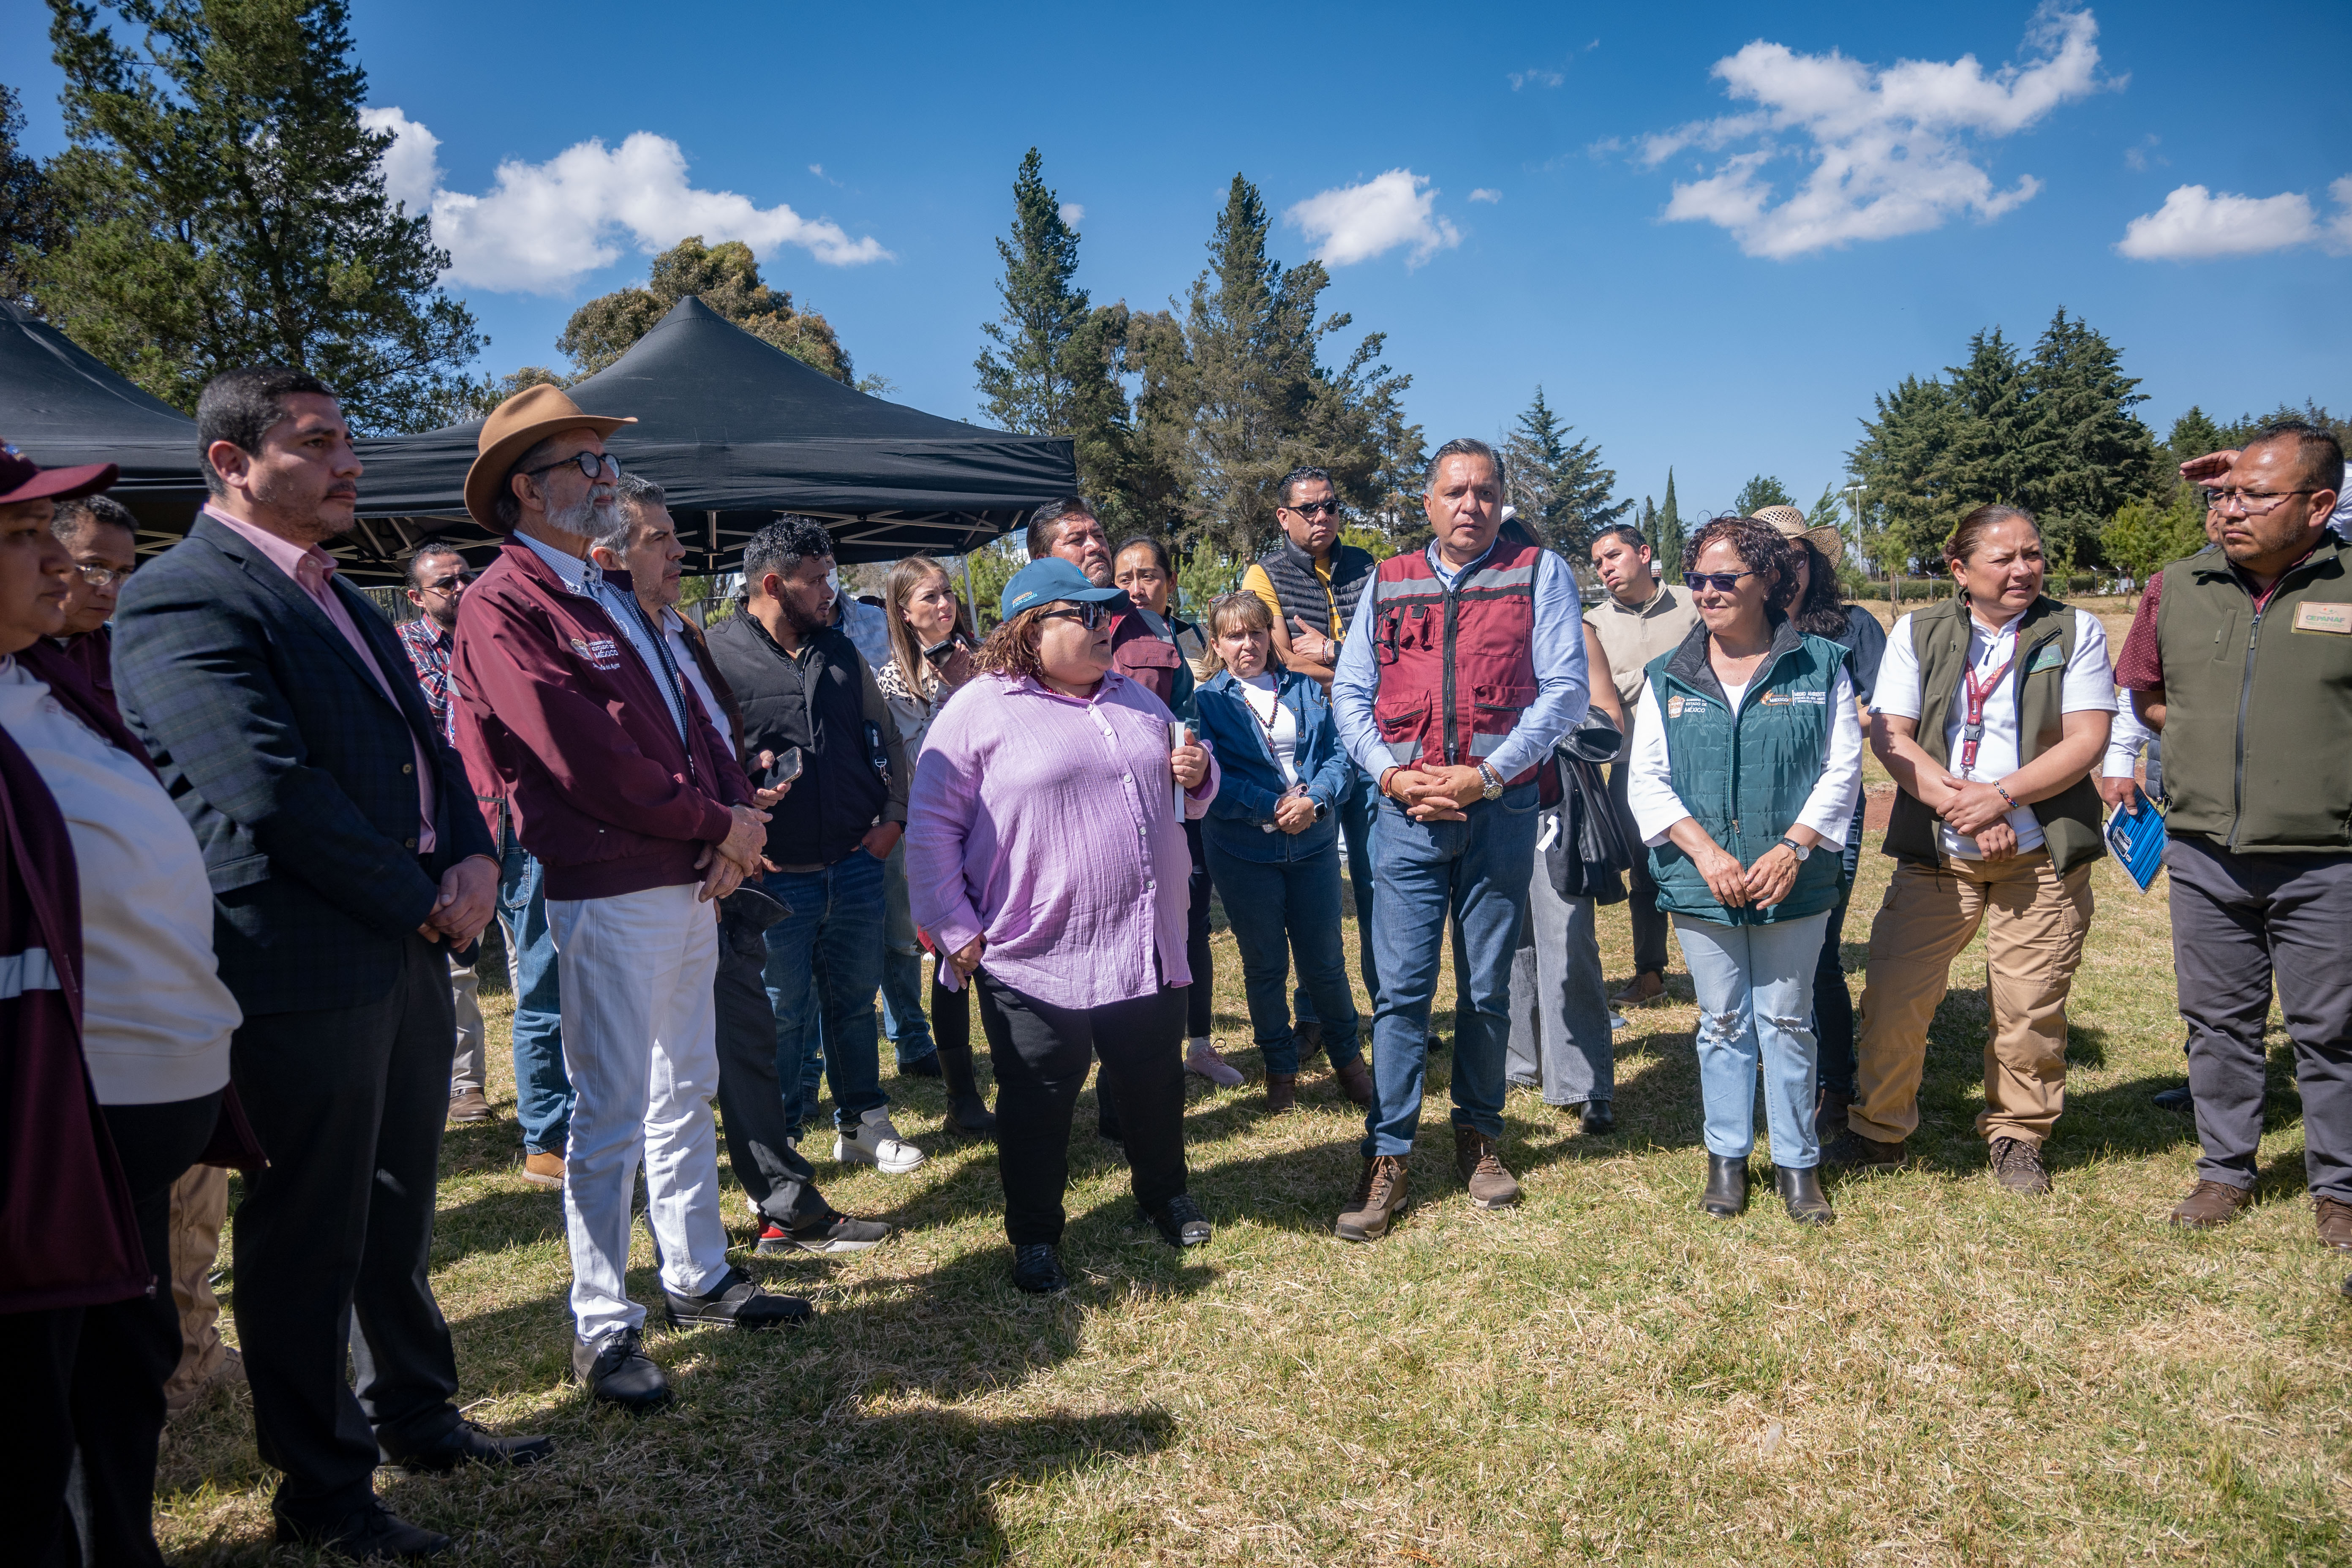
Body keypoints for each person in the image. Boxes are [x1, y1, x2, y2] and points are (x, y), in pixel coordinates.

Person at [111, 368, 541, 1559]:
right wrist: (421, 897)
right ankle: (321, 1488)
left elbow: (429, 749)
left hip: (404, 944)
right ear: (229, 465)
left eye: (349, 439)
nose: (350, 462)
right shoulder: (180, 598)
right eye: (316, 443)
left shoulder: (338, 592)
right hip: (297, 963)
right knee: (305, 1234)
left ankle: (418, 1412)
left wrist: (471, 857)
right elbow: (264, 791)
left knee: (398, 1209)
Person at [451, 384, 809, 1417]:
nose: (607, 479)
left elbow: (694, 729)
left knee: (680, 1085)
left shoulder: (603, 591)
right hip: (615, 883)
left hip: (688, 876)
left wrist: (734, 824)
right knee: (607, 1110)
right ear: (530, 488)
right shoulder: (504, 603)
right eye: (587, 464)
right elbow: (581, 758)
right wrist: (717, 825)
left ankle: (697, 1275)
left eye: (607, 464)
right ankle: (601, 1324)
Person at [1, 448, 260, 1566]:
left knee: (123, 1369)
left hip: (149, 1099)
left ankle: (128, 1544)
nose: (57, 560)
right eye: (22, 538)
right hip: (55, 1122)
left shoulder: (51, 679)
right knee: (27, 1410)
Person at [907, 556, 1220, 1291]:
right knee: (1039, 1096)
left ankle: (1163, 1193)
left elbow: (1193, 792)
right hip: (1034, 951)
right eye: (1081, 615)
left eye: (1105, 614)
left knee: (1151, 1081)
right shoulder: (978, 709)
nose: (1103, 625)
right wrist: (955, 927)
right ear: (1027, 629)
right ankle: (1036, 1234)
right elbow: (928, 831)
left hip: (1143, 940)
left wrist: (1199, 775)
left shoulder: (1139, 702)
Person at [607, 473, 889, 1258]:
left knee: (743, 1046)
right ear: (608, 551)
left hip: (731, 872)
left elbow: (709, 746)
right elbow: (615, 760)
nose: (681, 551)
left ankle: (782, 1208)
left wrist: (739, 788)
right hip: (660, 880)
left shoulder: (678, 636)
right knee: (677, 1074)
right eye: (659, 539)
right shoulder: (617, 636)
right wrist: (720, 818)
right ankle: (665, 1259)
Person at [1328, 438, 1590, 1241]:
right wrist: (1388, 775)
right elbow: (1350, 690)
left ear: (1501, 498)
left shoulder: (1539, 572)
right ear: (1427, 502)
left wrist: (1489, 774)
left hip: (1496, 813)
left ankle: (1478, 1132)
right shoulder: (1387, 578)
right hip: (1405, 816)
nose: (1470, 505)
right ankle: (1389, 1151)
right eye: (1454, 491)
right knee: (1401, 992)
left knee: (1484, 988)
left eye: (1484, 491)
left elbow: (1565, 689)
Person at [1832, 505, 2115, 1197]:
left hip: (2037, 853)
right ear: (1959, 570)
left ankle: (2017, 1136)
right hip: (1938, 850)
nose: (2023, 568)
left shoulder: (2072, 630)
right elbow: (1890, 736)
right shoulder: (1918, 629)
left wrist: (2003, 797)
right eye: (2004, 557)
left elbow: (2085, 740)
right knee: (1896, 995)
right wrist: (1959, 801)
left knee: (2028, 1008)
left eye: (2033, 554)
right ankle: (1877, 1129)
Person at [2118, 422, 2352, 1246]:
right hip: (2206, 848)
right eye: (2224, 494)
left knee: (2331, 1031)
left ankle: (2341, 1188)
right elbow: (2145, 691)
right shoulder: (2176, 585)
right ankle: (2225, 1169)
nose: (2230, 510)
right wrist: (2202, 739)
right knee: (2218, 1019)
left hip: (2329, 856)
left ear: (2322, 504)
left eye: (2257, 494)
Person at [1628, 514, 1861, 1225]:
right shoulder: (1665, 676)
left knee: (1788, 1023)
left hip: (1793, 876)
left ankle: (1797, 1164)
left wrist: (1792, 848)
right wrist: (1704, 852)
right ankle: (1725, 1161)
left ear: (1768, 580)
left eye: (1724, 577)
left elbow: (1842, 769)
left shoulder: (1820, 664)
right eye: (1696, 577)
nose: (1706, 591)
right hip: (1703, 881)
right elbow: (1647, 779)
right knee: (1721, 1021)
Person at [705, 515, 924, 1174]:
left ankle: (863, 1121)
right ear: (774, 584)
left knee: (855, 1002)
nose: (832, 590)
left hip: (857, 864)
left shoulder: (837, 649)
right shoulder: (713, 656)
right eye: (818, 579)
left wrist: (892, 817)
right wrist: (736, 825)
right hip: (774, 878)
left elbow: (883, 735)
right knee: (783, 1015)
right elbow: (701, 759)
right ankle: (782, 1141)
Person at [1190, 589, 1374, 1113]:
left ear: (1270, 635)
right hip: (1244, 850)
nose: (1247, 644)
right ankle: (1281, 1070)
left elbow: (1341, 755)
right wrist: (1269, 805)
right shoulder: (1209, 702)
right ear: (1217, 644)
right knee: (1265, 965)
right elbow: (1211, 780)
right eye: (1233, 635)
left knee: (1326, 965)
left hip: (1313, 843)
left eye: (1255, 632)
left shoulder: (1308, 690)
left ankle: (1349, 1064)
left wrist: (1314, 799)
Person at [1750, 505, 1888, 1141]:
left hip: (1830, 810)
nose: (1787, 569)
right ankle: (1775, 1070)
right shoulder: (1740, 627)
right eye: (1773, 558)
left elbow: (1884, 715)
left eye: (1798, 556)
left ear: (1815, 562)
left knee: (1822, 949)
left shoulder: (1852, 628)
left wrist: (1820, 712)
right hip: (1756, 806)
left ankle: (1835, 1082)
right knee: (1762, 942)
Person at [1242, 466, 1383, 1045]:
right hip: (1311, 748)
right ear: (1284, 517)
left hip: (1374, 744)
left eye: (1330, 506)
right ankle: (1314, 1015)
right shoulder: (1264, 573)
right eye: (1308, 509)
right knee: (1314, 894)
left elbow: (1390, 651)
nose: (1321, 517)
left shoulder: (1367, 566)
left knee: (1380, 884)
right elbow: (1280, 660)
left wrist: (1334, 650)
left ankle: (1394, 1012)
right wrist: (1356, 667)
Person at [876, 552, 996, 1134]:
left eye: (947, 593)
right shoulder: (893, 680)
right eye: (930, 597)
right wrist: (956, 692)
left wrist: (977, 681)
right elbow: (916, 758)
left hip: (996, 824)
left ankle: (1018, 1073)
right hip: (936, 834)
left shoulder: (986, 660)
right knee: (954, 959)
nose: (945, 605)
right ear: (904, 611)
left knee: (998, 952)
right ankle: (962, 1099)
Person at [1114, 534, 1236, 1086]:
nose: (1136, 588)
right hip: (1132, 810)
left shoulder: (1188, 635)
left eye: (1148, 576)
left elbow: (1201, 715)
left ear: (1171, 582)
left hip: (1190, 803)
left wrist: (1201, 763)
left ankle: (1200, 1045)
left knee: (1193, 925)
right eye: (1124, 578)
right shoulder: (1108, 635)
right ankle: (1142, 1055)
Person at [1502, 620, 1628, 1135]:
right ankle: (1517, 1064)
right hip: (1483, 801)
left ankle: (1584, 1082)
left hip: (1553, 801)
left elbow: (1609, 720)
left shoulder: (1573, 632)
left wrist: (1542, 724)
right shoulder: (1460, 618)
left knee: (1568, 933)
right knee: (1505, 936)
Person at [392, 542, 499, 1129]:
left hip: (511, 811)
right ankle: (463, 1086)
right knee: (456, 958)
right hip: (450, 818)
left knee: (538, 958)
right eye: (445, 584)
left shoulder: (496, 635)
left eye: (466, 577)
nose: (461, 588)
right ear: (416, 597)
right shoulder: (403, 651)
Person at [1585, 523, 1701, 1008]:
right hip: (1632, 765)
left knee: (1710, 861)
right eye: (1598, 563)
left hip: (1701, 757)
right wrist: (1666, 669)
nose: (1605, 568)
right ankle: (1650, 972)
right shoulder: (1593, 624)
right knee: (1646, 870)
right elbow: (1597, 692)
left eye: (1613, 556)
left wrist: (1628, 678)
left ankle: (1724, 964)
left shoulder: (1694, 603)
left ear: (1645, 554)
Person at [46, 489, 136, 714]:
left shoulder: (127, 651)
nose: (110, 590)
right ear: (45, 561)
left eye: (123, 573)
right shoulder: (9, 651)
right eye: (94, 568)